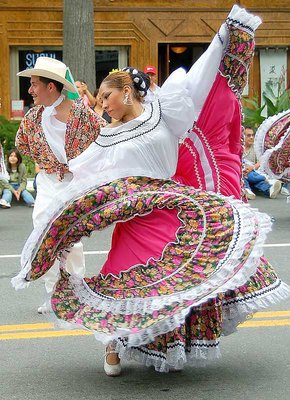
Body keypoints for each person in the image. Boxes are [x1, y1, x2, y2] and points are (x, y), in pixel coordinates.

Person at [12, 5, 290, 377]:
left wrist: (225, 36)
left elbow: (204, 77)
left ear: (126, 93)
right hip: (135, 215)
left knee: (177, 282)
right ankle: (112, 342)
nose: (101, 104)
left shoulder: (167, 113)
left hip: (173, 209)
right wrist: (58, 220)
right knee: (124, 282)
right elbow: (80, 176)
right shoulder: (105, 138)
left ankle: (170, 343)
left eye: (106, 97)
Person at [15, 56, 102, 313]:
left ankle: (75, 292)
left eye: (34, 84)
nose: (30, 90)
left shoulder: (81, 114)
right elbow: (23, 144)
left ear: (50, 86)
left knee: (71, 239)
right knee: (44, 234)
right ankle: (53, 293)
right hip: (49, 182)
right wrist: (47, 162)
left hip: (76, 183)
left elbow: (104, 138)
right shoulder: (33, 117)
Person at [243, 127, 281, 199]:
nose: (251, 137)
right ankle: (266, 183)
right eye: (248, 135)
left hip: (253, 172)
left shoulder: (256, 148)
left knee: (250, 176)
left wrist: (252, 168)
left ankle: (248, 190)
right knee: (243, 174)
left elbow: (260, 162)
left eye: (252, 135)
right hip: (242, 173)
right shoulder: (238, 147)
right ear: (242, 136)